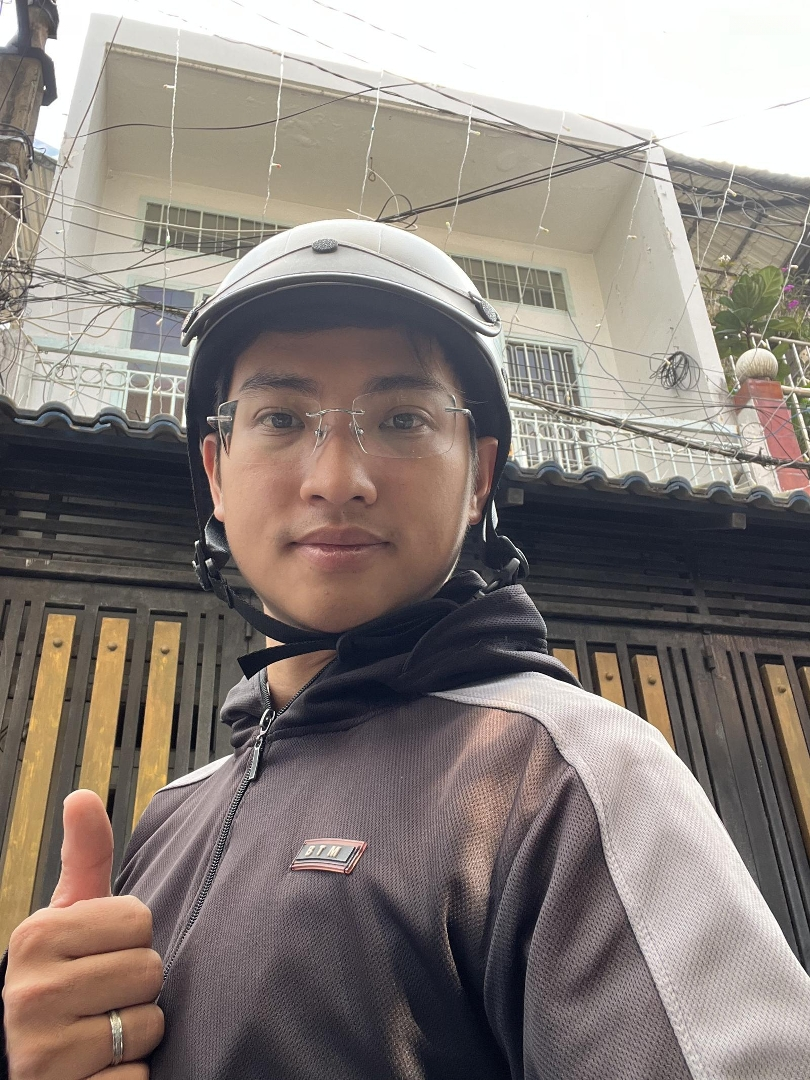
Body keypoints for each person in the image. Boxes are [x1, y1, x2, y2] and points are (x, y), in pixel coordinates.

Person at [3, 219, 810, 1080]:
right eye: (280, 418)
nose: (336, 479)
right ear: (215, 471)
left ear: (480, 477)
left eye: (401, 419)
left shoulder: (568, 776)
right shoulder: (173, 811)